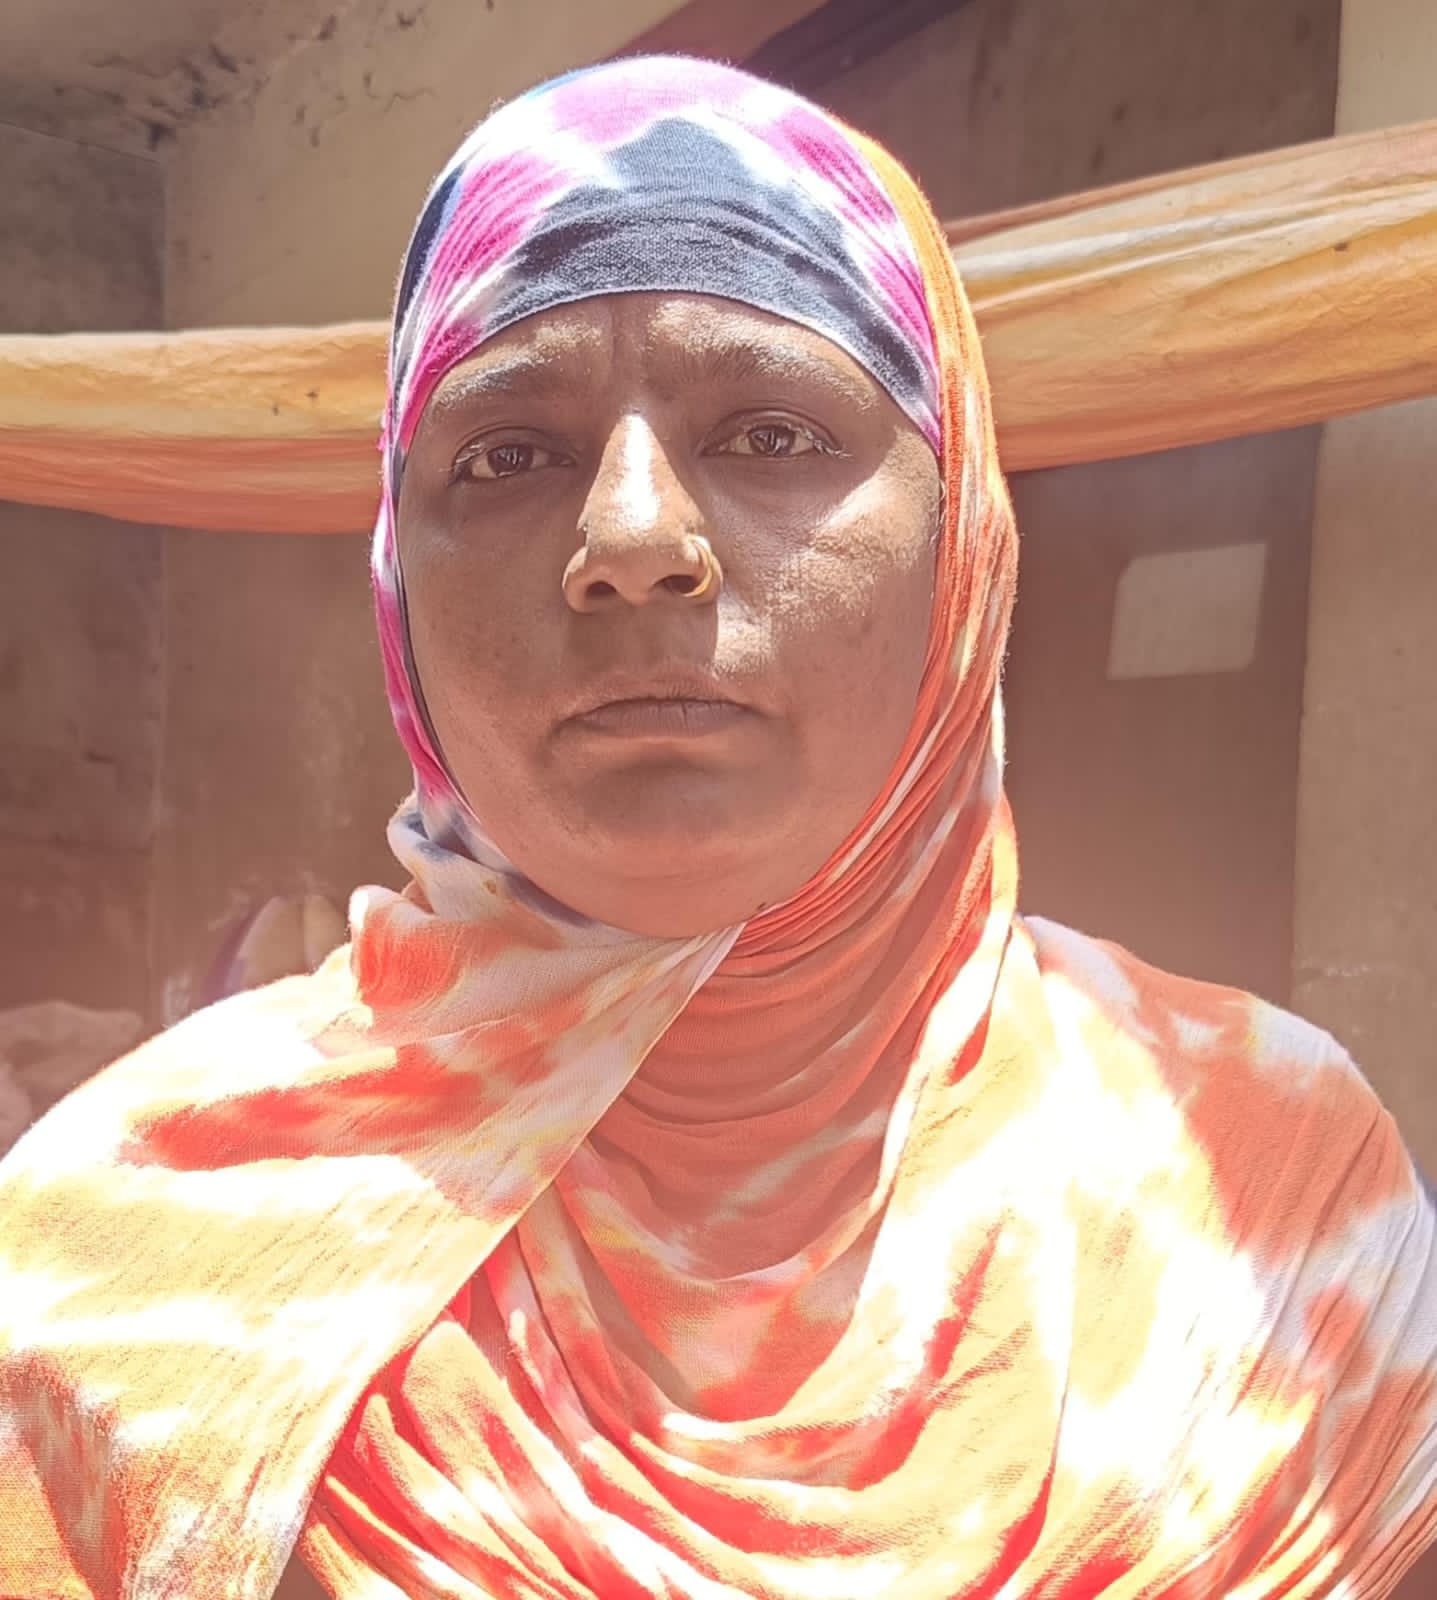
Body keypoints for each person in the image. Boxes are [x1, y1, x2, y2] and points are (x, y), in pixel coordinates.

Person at [1, 55, 1433, 1600]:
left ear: (958, 544)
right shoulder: (132, 1251)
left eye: (771, 434)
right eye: (507, 455)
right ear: (398, 581)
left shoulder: (1270, 1179)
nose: (630, 539)